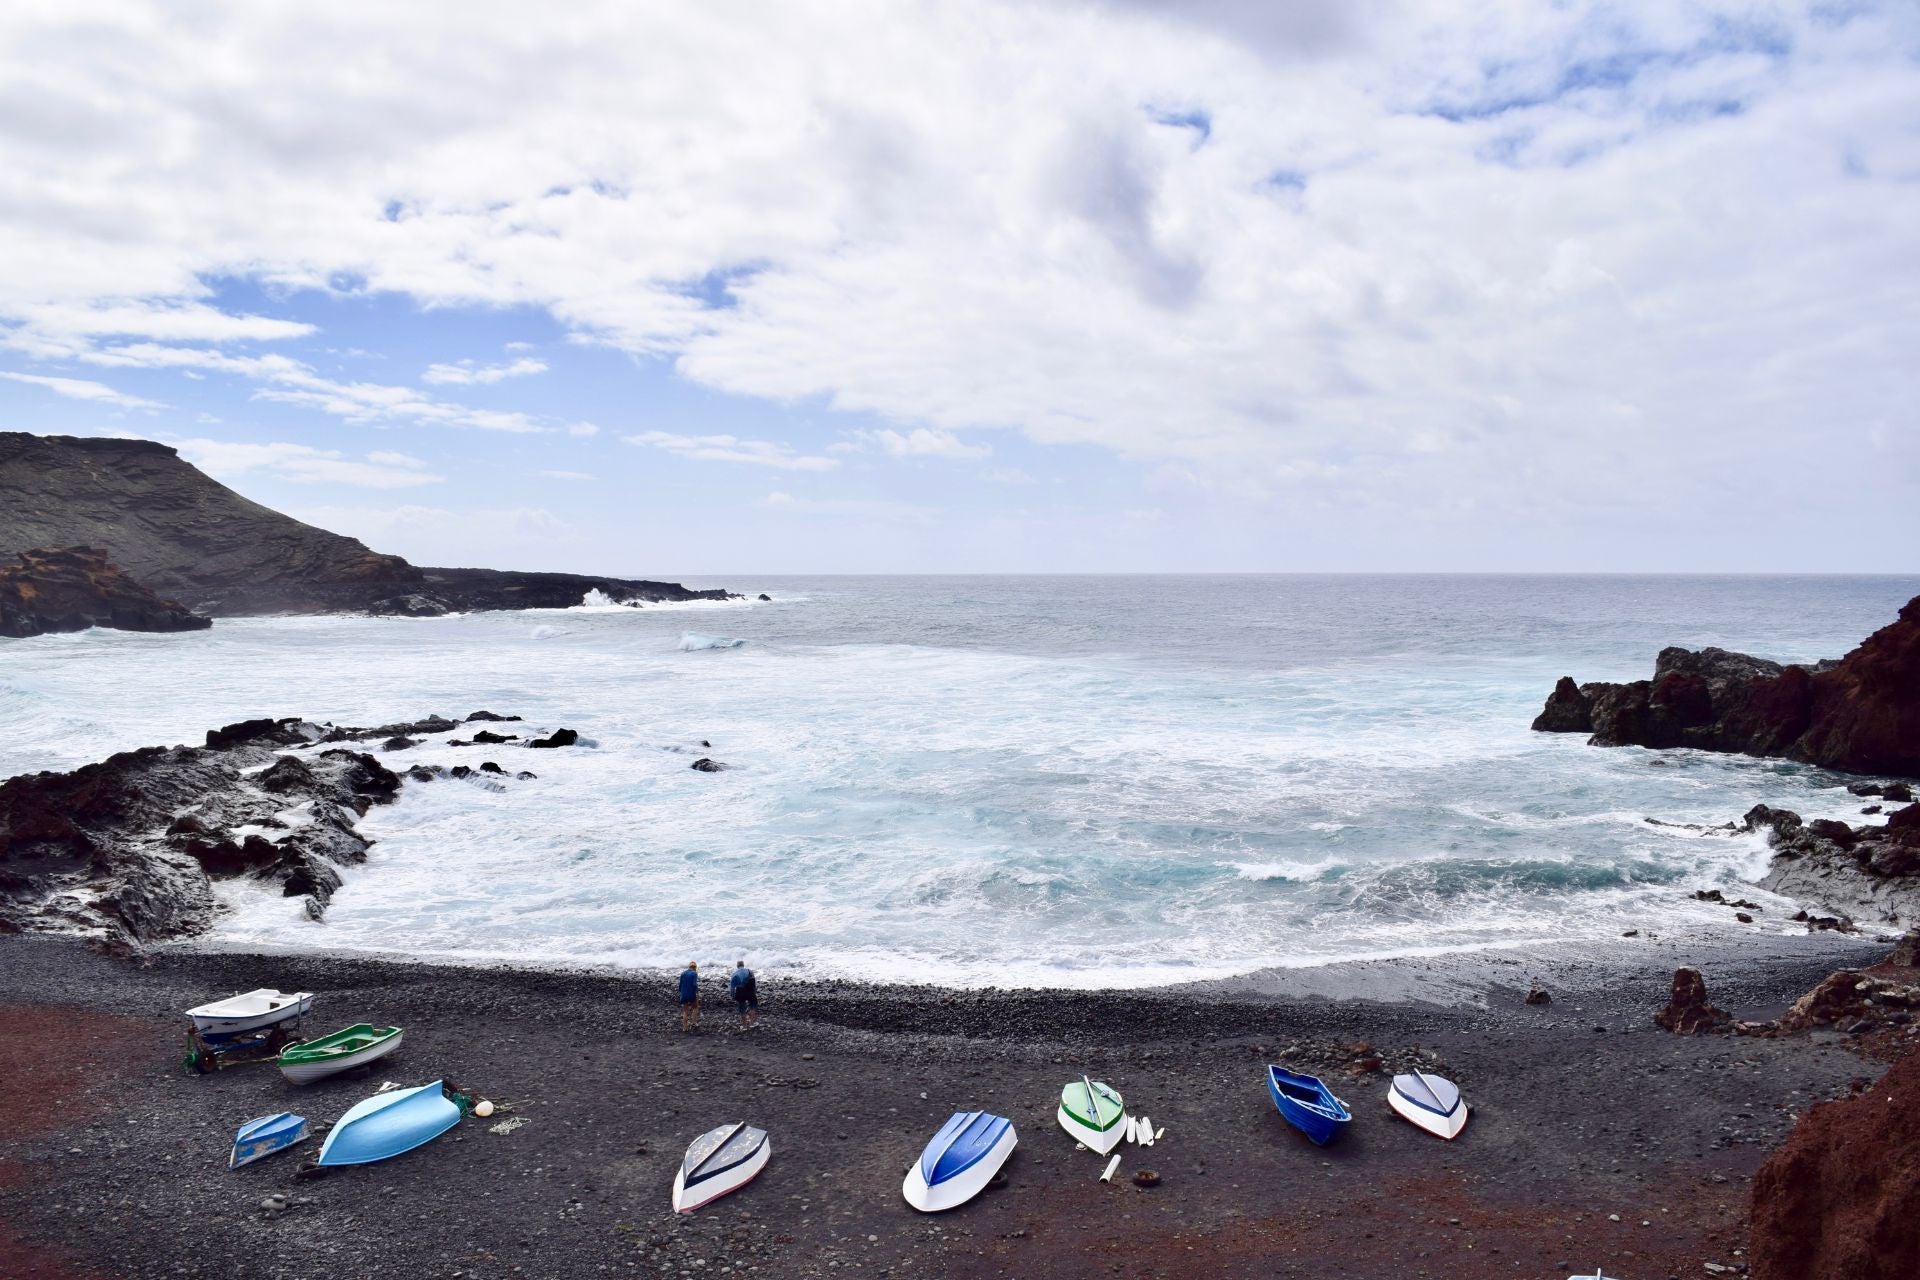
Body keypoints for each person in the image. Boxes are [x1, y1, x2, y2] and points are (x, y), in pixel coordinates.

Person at [729, 959, 759, 1029]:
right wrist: (754, 991)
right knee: (752, 1006)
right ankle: (752, 1024)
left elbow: (732, 987)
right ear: (743, 965)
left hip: (740, 991)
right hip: (749, 990)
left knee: (742, 1008)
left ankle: (744, 1026)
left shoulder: (734, 974)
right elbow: (753, 982)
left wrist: (732, 995)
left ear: (737, 966)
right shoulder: (749, 971)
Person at [678, 961, 701, 1032]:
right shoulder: (694, 973)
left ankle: (685, 1028)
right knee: (695, 1007)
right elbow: (694, 984)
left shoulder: (683, 973)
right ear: (695, 967)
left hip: (684, 993)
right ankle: (693, 1022)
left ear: (689, 967)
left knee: (685, 1011)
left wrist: (681, 992)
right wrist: (697, 992)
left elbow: (680, 985)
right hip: (691, 993)